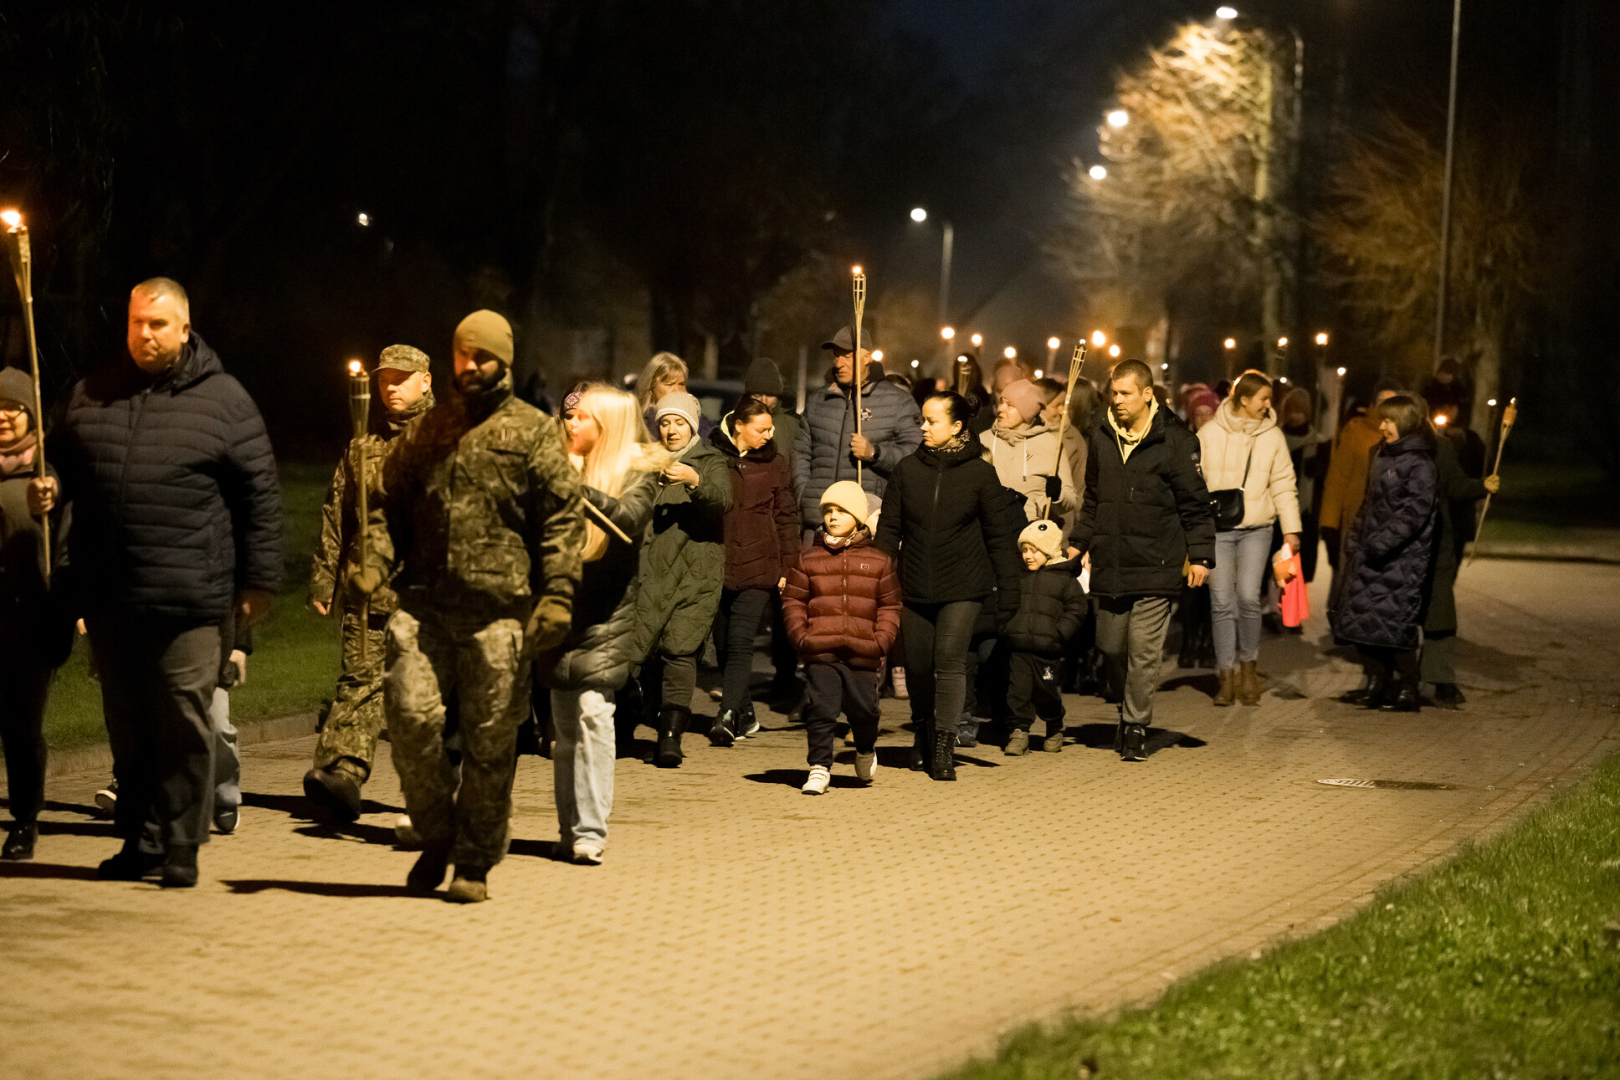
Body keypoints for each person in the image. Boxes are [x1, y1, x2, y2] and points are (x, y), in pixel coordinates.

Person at [29, 278, 282, 887]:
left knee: (182, 720)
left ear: (184, 329)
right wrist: (51, 485)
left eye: (157, 324)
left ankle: (182, 840)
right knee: (129, 725)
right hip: (111, 594)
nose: (144, 334)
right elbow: (62, 461)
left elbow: (260, 497)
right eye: (136, 322)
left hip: (189, 596)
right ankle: (141, 839)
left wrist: (258, 581)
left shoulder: (224, 401)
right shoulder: (93, 392)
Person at [364, 309, 583, 903]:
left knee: (490, 744)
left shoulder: (532, 432)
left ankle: (474, 861)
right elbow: (387, 504)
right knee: (409, 720)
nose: (471, 365)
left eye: (482, 355)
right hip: (426, 606)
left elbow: (561, 520)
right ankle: (438, 832)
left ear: (503, 360)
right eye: (463, 354)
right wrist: (375, 560)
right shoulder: (429, 430)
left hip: (499, 612)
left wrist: (558, 594)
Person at [536, 384, 667, 865]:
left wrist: (575, 485)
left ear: (606, 426)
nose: (570, 423)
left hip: (606, 616)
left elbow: (628, 520)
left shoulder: (636, 472)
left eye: (582, 417)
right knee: (563, 731)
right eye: (569, 416)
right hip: (560, 611)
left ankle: (591, 831)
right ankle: (568, 829)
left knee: (594, 715)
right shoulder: (556, 465)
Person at [304, 345, 435, 822]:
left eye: (402, 378)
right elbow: (337, 513)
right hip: (368, 590)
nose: (391, 387)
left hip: (424, 594)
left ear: (425, 380)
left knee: (421, 698)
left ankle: (434, 792)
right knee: (358, 681)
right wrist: (325, 579)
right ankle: (341, 775)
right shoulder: (363, 442)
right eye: (384, 380)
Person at [875, 391, 1021, 781]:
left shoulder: (980, 474)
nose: (923, 427)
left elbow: (999, 537)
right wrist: (875, 579)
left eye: (932, 421)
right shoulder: (907, 470)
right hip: (914, 585)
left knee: (949, 659)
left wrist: (1010, 591)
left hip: (964, 586)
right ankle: (922, 731)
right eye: (922, 420)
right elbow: (888, 531)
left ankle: (944, 743)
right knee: (918, 666)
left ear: (956, 427)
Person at [1073, 359, 1215, 762]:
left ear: (1147, 394)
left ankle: (1135, 724)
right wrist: (1079, 543)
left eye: (1125, 393)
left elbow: (1195, 504)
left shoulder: (1176, 440)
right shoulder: (1101, 435)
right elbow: (1093, 498)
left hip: (1158, 561)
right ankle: (1127, 705)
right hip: (1112, 561)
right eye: (1113, 393)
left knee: (1143, 650)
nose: (1117, 400)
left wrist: (1201, 556)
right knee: (1110, 646)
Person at [629, 391, 730, 768]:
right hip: (650, 572)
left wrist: (694, 480)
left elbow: (722, 501)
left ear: (692, 426)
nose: (671, 430)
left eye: (679, 423)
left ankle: (670, 736)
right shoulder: (647, 461)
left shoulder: (709, 460)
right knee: (637, 654)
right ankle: (629, 723)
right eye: (665, 423)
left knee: (680, 650)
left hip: (695, 574)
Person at [781, 481, 901, 793]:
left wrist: (881, 640)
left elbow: (889, 605)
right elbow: (794, 600)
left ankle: (865, 748)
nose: (833, 516)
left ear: (859, 518)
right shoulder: (809, 559)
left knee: (865, 712)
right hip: (821, 648)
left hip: (863, 651)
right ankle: (819, 767)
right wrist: (801, 636)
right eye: (828, 510)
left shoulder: (879, 561)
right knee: (822, 709)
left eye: (842, 510)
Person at [0, 367, 72, 861]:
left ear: (31, 415)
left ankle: (25, 819)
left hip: (29, 621)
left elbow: (66, 544)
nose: (4, 417)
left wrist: (49, 500)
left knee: (21, 727)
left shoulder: (47, 474)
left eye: (14, 408)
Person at [1196, 370, 1302, 707]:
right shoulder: (1209, 434)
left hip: (1257, 528)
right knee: (1221, 602)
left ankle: (1249, 670)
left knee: (1248, 597)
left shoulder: (1272, 437)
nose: (1269, 404)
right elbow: (1194, 484)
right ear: (1243, 399)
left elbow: (1283, 483)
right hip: (1218, 530)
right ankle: (1226, 676)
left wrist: (1291, 529)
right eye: (1263, 398)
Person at [1329, 394, 1439, 712]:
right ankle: (1377, 682)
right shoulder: (1381, 455)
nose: (1382, 426)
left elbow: (1414, 512)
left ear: (1404, 422)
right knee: (1365, 621)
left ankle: (1407, 686)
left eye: (1389, 421)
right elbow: (1370, 501)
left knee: (1395, 623)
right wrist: (1355, 538)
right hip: (1371, 553)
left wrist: (1380, 543)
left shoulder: (1420, 464)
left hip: (1401, 559)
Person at [709, 396, 799, 746]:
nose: (768, 435)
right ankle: (745, 714)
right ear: (738, 427)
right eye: (760, 429)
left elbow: (786, 517)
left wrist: (788, 567)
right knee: (721, 644)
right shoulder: (715, 457)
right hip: (719, 564)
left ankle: (727, 715)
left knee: (740, 642)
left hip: (760, 566)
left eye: (770, 429)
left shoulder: (776, 463)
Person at [793, 325, 922, 539]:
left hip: (867, 523)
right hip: (818, 521)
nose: (839, 363)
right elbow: (801, 453)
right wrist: (804, 494)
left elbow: (916, 455)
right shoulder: (818, 400)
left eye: (847, 356)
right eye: (836, 356)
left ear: (867, 357)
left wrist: (875, 454)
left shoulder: (897, 401)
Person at [1420, 402, 1498, 708]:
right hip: (1403, 548)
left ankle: (1439, 677)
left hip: (1439, 543)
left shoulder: (1447, 446)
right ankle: (1396, 675)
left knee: (1440, 612)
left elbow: (1456, 484)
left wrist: (1482, 485)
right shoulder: (1387, 450)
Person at [1001, 519, 1086, 755]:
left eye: (1034, 550)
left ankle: (1054, 724)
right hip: (1019, 646)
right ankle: (1019, 732)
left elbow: (1078, 608)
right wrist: (1007, 627)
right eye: (1024, 550)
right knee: (1017, 692)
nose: (1027, 556)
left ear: (1048, 551)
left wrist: (1060, 633)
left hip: (1048, 650)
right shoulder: (1019, 576)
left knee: (1046, 692)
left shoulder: (1064, 578)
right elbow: (1005, 603)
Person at [1320, 380, 1401, 593]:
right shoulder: (1357, 432)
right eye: (1382, 400)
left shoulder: (1404, 436)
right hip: (1356, 519)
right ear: (1373, 403)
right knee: (1348, 578)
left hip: (1389, 522)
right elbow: (1338, 478)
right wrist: (1330, 522)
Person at [980, 378, 1076, 527]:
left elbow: (1070, 499)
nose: (1000, 409)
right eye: (1001, 402)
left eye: (1010, 405)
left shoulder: (1051, 444)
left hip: (1029, 533)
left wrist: (1058, 495)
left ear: (1027, 411)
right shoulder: (983, 440)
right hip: (989, 531)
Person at [1279, 386, 1329, 583]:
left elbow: (1325, 483)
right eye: (1291, 410)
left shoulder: (1319, 443)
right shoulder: (1276, 438)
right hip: (1278, 511)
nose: (1294, 415)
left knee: (1300, 568)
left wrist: (1319, 469)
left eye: (1299, 410)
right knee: (1278, 564)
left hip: (1306, 513)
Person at [636, 351, 713, 438]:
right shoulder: (641, 426)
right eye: (669, 384)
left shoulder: (697, 420)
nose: (677, 390)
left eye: (681, 384)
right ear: (651, 387)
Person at [743, 356, 799, 463]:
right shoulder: (735, 423)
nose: (763, 401)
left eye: (769, 395)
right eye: (757, 395)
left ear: (778, 396)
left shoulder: (795, 425)